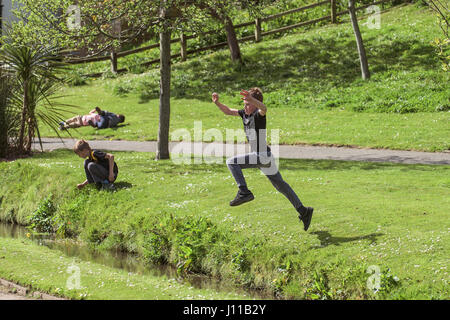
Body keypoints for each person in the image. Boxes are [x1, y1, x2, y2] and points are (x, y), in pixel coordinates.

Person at [211, 88, 314, 231]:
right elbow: (228, 111)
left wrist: (253, 100)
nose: (246, 106)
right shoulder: (244, 114)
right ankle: (304, 211)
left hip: (262, 155)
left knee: (231, 162)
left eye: (249, 103)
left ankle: (244, 192)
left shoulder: (259, 115)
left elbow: (264, 108)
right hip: (264, 156)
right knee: (281, 186)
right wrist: (217, 103)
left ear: (255, 103)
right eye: (245, 103)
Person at [59, 107, 125, 130]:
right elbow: (90, 112)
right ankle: (64, 122)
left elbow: (98, 121)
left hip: (83, 122)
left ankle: (64, 126)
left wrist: (98, 116)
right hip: (82, 117)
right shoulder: (95, 114)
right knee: (74, 118)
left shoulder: (98, 118)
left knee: (75, 124)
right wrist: (95, 110)